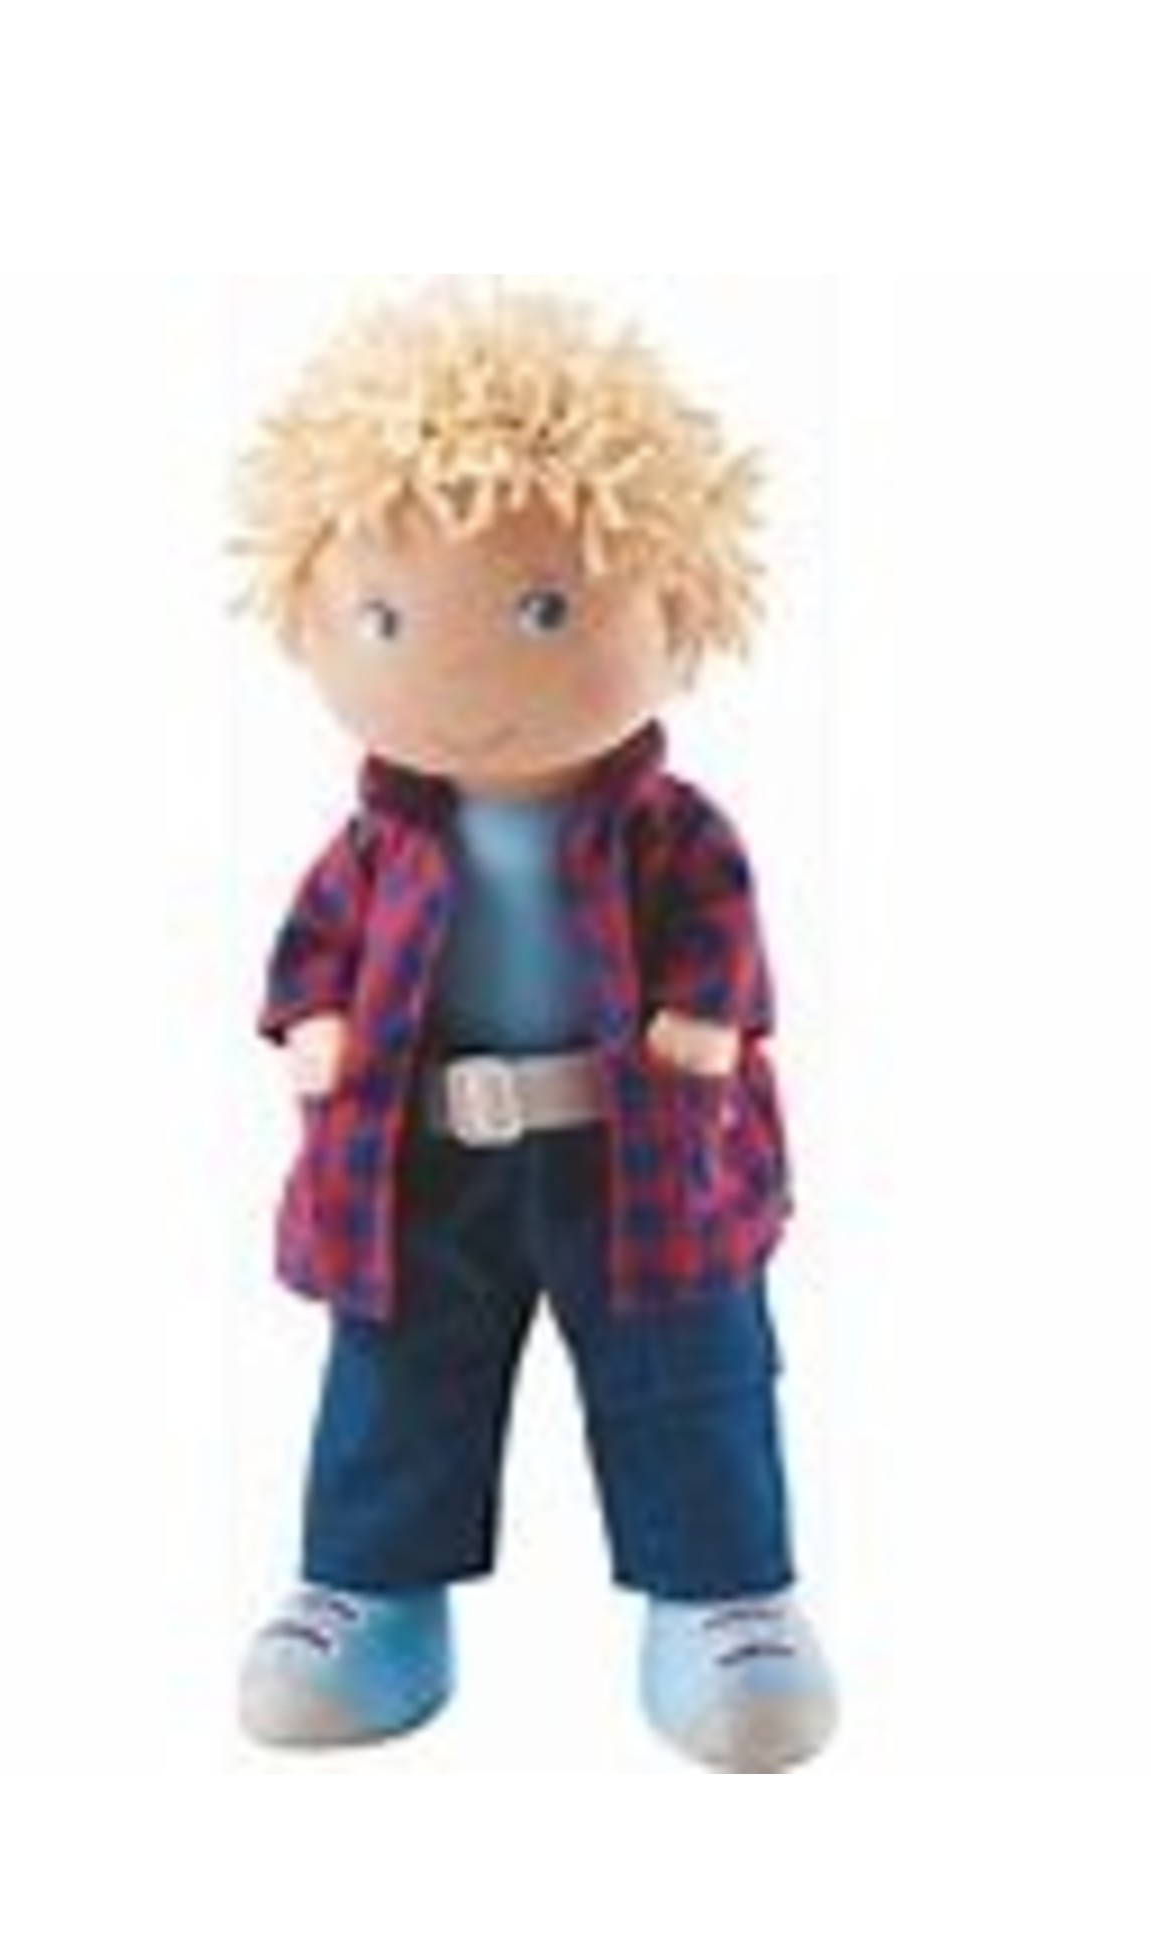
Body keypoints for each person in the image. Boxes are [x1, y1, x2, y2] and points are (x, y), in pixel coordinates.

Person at [233, 287, 835, 1771]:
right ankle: (373, 1587)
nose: (460, 678)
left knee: (688, 1365)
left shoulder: (670, 830)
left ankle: (723, 1593)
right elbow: (311, 950)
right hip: (420, 1150)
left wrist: (705, 1018)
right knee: (396, 1369)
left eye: (547, 611)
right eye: (383, 618)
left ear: (672, 597)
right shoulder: (377, 844)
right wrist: (310, 1021)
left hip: (640, 1145)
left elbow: (719, 928)